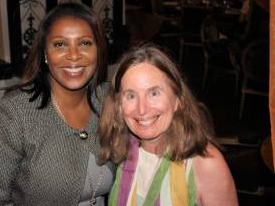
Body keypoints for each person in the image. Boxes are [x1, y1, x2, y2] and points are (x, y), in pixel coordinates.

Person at [0, 2, 114, 206]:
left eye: (85, 43)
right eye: (60, 44)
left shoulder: (111, 100)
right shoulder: (13, 114)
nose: (73, 55)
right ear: (45, 53)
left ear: (98, 50)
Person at [98, 45, 238, 206]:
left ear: (177, 100)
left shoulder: (206, 165)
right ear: (119, 105)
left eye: (154, 93)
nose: (142, 109)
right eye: (130, 95)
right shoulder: (122, 154)